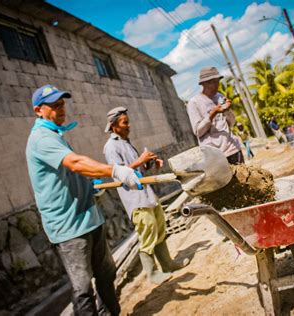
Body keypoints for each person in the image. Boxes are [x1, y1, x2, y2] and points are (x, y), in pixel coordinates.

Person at [26, 85, 142, 316]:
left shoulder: (55, 136)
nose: (62, 109)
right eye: (55, 106)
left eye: (62, 104)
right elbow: (76, 163)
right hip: (69, 227)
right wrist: (115, 171)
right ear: (39, 110)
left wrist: (90, 186)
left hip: (89, 217)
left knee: (106, 274)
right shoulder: (41, 138)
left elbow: (69, 174)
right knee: (82, 289)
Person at [103, 107, 189, 285]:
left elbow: (138, 170)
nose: (129, 126)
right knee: (147, 232)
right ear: (113, 126)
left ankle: (168, 264)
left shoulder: (126, 142)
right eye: (125, 123)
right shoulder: (111, 147)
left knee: (159, 228)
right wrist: (140, 160)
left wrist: (149, 164)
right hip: (135, 200)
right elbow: (118, 173)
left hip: (147, 195)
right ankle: (152, 273)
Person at [186, 67, 244, 165]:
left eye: (217, 81)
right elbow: (198, 131)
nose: (216, 85)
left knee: (243, 179)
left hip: (233, 149)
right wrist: (213, 113)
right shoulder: (194, 103)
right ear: (204, 84)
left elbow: (231, 123)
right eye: (212, 82)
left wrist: (227, 110)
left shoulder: (220, 97)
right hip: (215, 156)